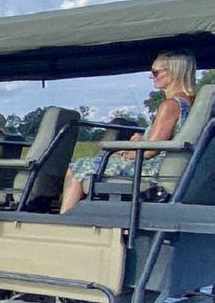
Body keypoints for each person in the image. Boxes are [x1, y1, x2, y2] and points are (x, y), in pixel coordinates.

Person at [60, 50, 197, 213]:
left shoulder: (170, 105)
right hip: (164, 163)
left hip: (149, 168)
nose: (151, 76)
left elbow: (149, 151)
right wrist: (141, 140)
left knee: (78, 166)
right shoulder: (190, 102)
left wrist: (126, 153)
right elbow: (164, 139)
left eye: (155, 72)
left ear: (174, 71)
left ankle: (65, 219)